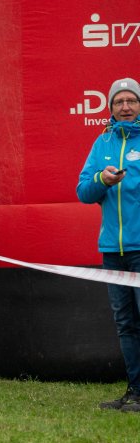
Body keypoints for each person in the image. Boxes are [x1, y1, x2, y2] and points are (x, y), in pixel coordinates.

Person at [78, 77, 140, 412]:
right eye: (119, 102)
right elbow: (83, 192)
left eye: (131, 100)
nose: (125, 107)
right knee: (126, 323)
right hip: (113, 252)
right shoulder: (101, 142)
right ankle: (135, 391)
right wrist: (103, 179)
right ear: (111, 107)